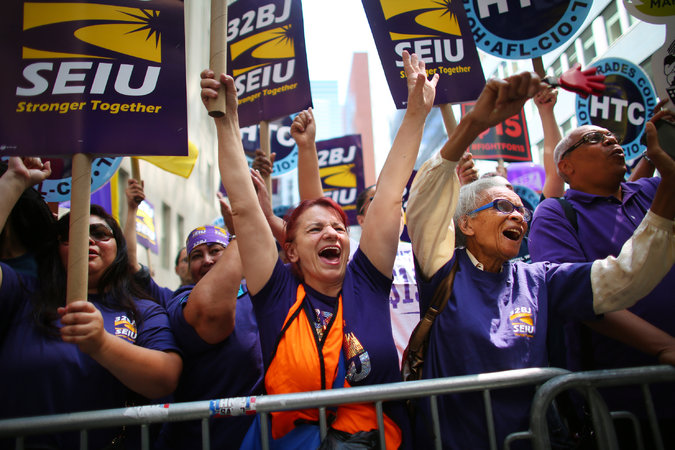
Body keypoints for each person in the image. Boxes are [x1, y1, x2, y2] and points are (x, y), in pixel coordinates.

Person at [405, 72, 675, 449]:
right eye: (502, 206)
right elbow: (422, 205)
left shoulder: (539, 280)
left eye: (521, 211)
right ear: (465, 223)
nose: (517, 215)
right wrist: (473, 125)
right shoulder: (444, 270)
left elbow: (624, 278)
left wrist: (668, 194)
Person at [200, 50, 437, 448]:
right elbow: (243, 205)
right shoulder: (275, 291)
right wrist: (227, 121)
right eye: (315, 229)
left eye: (338, 227)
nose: (332, 233)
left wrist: (417, 113)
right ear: (289, 251)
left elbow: (390, 196)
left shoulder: (366, 280)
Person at [0, 157, 183, 449]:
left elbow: (165, 378)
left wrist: (101, 344)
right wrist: (13, 181)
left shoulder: (142, 310)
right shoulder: (23, 293)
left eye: (100, 234)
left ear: (120, 249)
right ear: (54, 250)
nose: (87, 240)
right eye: (70, 235)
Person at [528, 107, 675, 446]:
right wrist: (665, 347)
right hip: (628, 397)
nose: (612, 141)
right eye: (596, 139)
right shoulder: (555, 213)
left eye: (613, 137)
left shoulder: (653, 190)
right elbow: (577, 295)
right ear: (566, 167)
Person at [156, 224, 264, 450]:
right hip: (197, 439)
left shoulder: (256, 292)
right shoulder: (181, 301)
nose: (206, 259)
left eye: (215, 250)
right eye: (196, 255)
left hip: (255, 438)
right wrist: (240, 235)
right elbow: (212, 315)